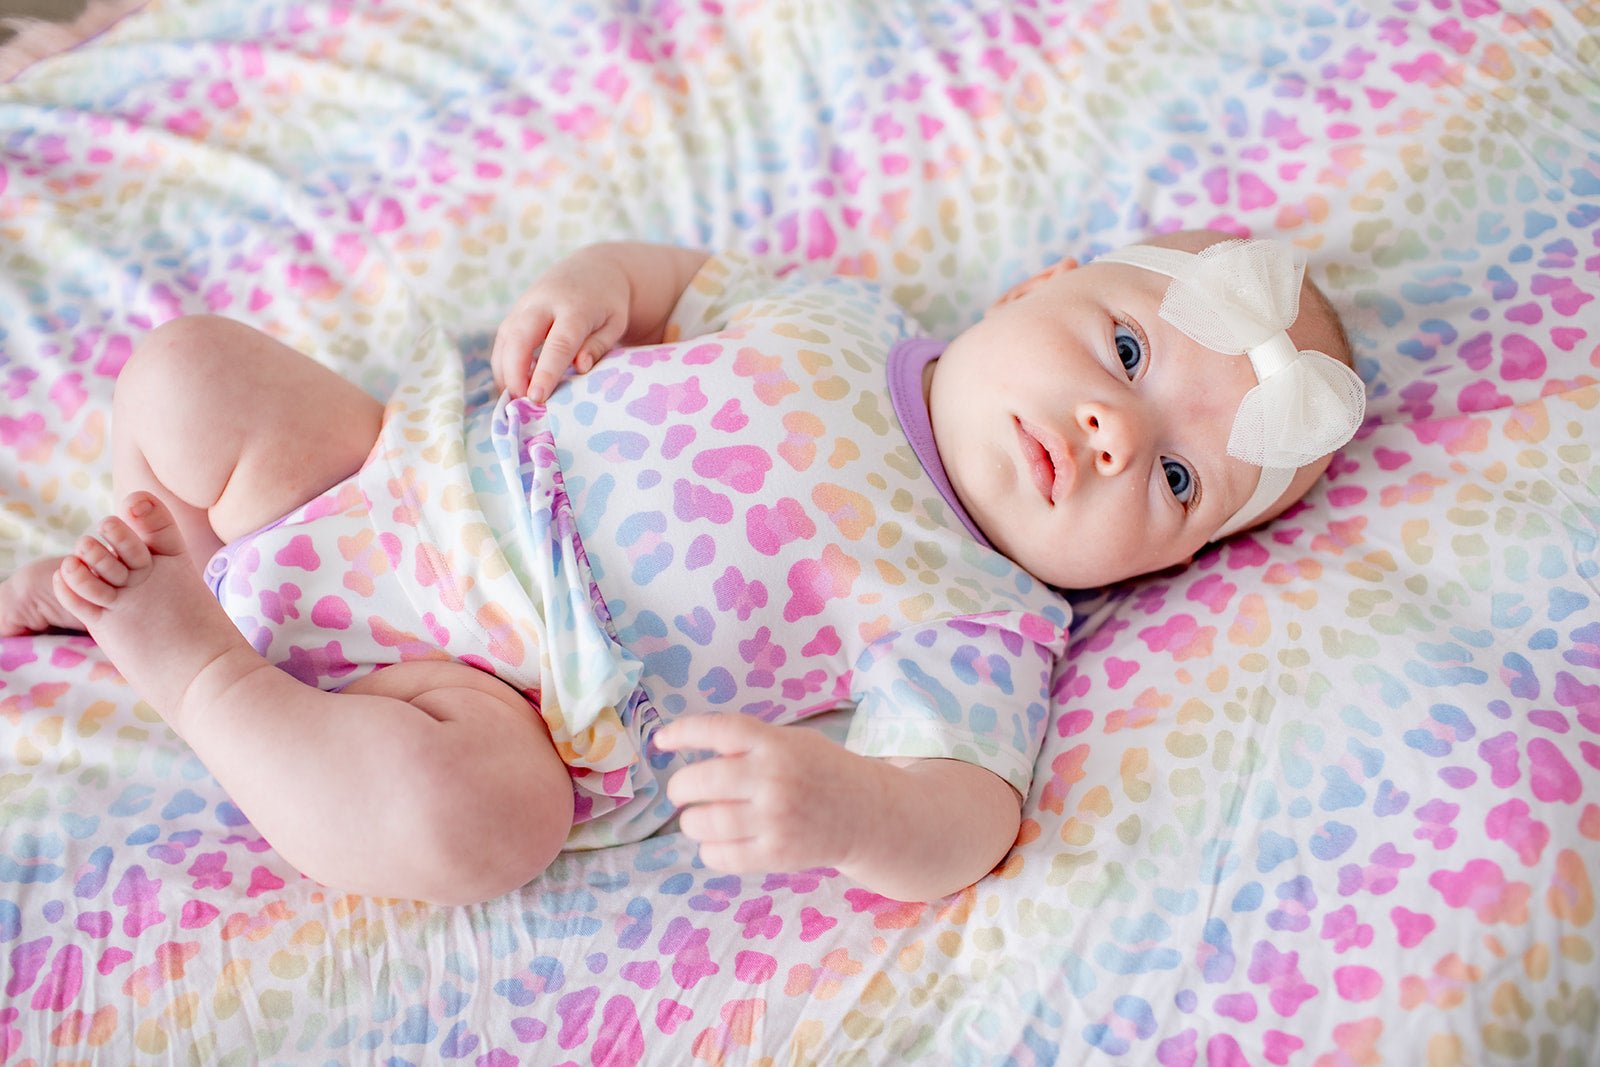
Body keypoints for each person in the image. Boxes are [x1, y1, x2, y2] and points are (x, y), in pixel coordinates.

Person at [0, 229, 1363, 906]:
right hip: (387, 480)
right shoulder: (836, 314)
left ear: (1168, 567)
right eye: (1125, 352)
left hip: (496, 696)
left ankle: (196, 673)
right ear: (1035, 285)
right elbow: (671, 281)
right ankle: (147, 566)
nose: (1115, 431)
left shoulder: (982, 611)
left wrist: (850, 812)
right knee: (187, 373)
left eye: (1178, 481)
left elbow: (970, 815)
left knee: (474, 821)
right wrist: (598, 287)